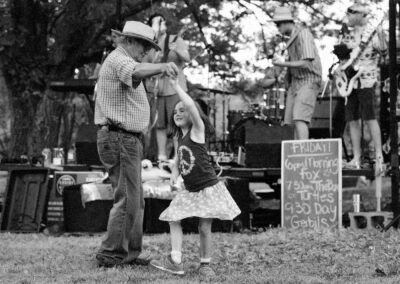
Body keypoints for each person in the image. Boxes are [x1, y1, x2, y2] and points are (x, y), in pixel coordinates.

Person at [94, 20, 179, 268]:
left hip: (125, 139)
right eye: (143, 45)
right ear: (128, 40)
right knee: (128, 199)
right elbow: (135, 72)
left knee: (135, 199)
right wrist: (161, 66)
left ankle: (127, 253)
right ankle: (110, 253)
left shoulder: (124, 59)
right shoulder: (119, 59)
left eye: (149, 46)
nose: (146, 51)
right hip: (120, 138)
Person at [149, 77, 241, 276]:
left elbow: (190, 104)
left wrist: (175, 87)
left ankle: (205, 265)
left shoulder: (197, 132)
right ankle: (175, 260)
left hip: (208, 187)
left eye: (182, 111)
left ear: (193, 115)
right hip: (190, 189)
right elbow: (177, 159)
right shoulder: (178, 137)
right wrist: (174, 174)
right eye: (175, 112)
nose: (178, 113)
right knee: (173, 218)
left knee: (203, 227)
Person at [336, 3, 387, 170]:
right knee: (352, 119)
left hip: (366, 80)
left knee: (370, 117)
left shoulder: (371, 33)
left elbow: (384, 51)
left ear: (360, 15)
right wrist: (339, 68)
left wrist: (381, 35)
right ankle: (356, 159)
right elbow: (345, 58)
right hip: (350, 81)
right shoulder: (348, 35)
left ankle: (379, 156)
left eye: (351, 14)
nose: (348, 17)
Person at [143, 13, 190, 164]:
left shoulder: (175, 39)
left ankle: (179, 157)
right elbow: (145, 64)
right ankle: (162, 157)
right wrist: (155, 60)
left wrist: (175, 49)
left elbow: (187, 57)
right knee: (160, 125)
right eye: (156, 23)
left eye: (161, 22)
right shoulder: (151, 45)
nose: (160, 25)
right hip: (158, 90)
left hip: (175, 88)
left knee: (178, 122)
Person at [272, 6, 322, 140]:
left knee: (300, 118)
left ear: (286, 22)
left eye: (278, 24)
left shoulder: (303, 33)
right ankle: (292, 156)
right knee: (288, 123)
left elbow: (306, 62)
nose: (278, 28)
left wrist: (282, 64)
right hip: (295, 83)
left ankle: (303, 155)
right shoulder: (289, 40)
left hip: (309, 81)